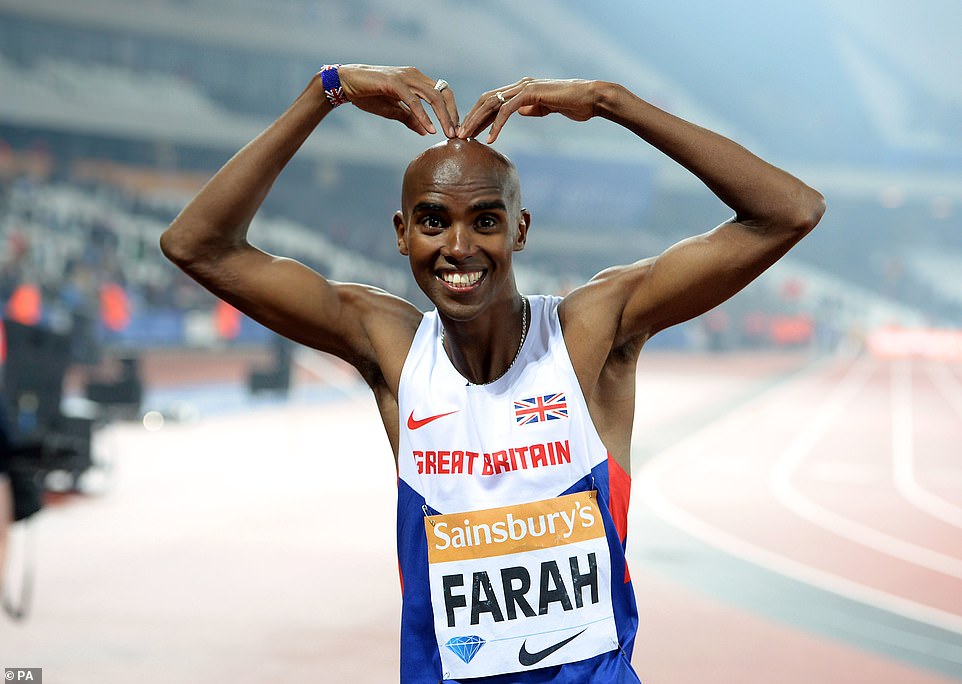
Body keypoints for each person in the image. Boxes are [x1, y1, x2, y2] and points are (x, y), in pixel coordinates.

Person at [160, 64, 824, 683]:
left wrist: (611, 103)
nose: (458, 247)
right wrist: (323, 92)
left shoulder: (589, 335)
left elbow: (788, 211)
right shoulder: (389, 346)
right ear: (401, 233)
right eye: (432, 222)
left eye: (485, 221)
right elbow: (197, 245)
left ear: (519, 230)